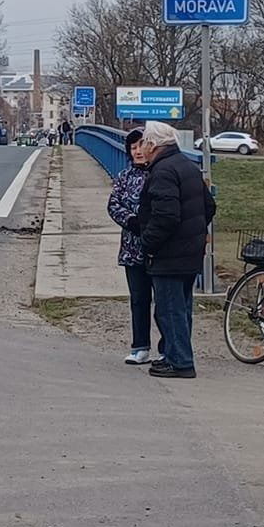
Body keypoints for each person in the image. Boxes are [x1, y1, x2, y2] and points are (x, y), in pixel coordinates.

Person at [135, 119, 211, 379]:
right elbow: (209, 206)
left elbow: (166, 216)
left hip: (169, 253)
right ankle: (172, 354)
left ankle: (180, 361)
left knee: (169, 309)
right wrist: (195, 233)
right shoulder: (188, 166)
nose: (141, 146)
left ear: (153, 145)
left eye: (144, 141)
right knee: (181, 308)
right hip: (190, 251)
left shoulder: (163, 171)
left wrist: (147, 242)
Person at [108, 128, 158, 364]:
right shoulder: (125, 176)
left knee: (163, 301)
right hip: (132, 247)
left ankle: (167, 347)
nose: (137, 151)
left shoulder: (160, 173)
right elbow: (114, 204)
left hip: (158, 247)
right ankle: (140, 346)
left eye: (141, 145)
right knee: (139, 299)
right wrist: (131, 221)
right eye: (133, 147)